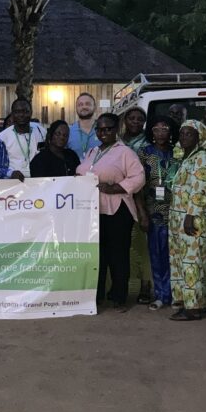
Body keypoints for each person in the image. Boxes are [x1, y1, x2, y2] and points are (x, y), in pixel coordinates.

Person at [76, 113, 145, 311]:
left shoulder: (125, 152)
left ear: (116, 130)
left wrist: (115, 188)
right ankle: (96, 296)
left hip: (117, 210)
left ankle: (119, 297)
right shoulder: (92, 151)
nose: (103, 132)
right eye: (100, 129)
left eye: (108, 129)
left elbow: (138, 177)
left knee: (118, 254)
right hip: (93, 210)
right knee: (98, 255)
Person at [168, 121, 206, 321]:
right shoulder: (185, 158)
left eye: (189, 134)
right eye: (182, 134)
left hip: (194, 218)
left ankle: (193, 308)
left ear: (200, 137)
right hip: (180, 217)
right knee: (185, 261)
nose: (184, 137)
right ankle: (194, 301)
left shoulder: (203, 158)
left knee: (193, 261)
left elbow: (200, 189)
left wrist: (191, 216)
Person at [137, 116, 180, 310]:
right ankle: (160, 295)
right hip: (153, 211)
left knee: (174, 255)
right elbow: (138, 186)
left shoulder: (177, 153)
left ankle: (174, 294)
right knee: (157, 254)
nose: (161, 132)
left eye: (165, 129)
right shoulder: (144, 153)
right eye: (157, 129)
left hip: (176, 210)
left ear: (171, 132)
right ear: (151, 132)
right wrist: (143, 213)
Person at [120, 106, 152, 303]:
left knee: (142, 245)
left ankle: (146, 285)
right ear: (125, 121)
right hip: (119, 199)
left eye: (140, 119)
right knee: (126, 245)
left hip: (143, 198)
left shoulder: (148, 145)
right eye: (131, 118)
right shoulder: (117, 142)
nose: (135, 122)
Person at [0, 98, 46, 180]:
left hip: (38, 181)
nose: (21, 115)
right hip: (15, 183)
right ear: (12, 114)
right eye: (17, 112)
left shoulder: (41, 131)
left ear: (31, 113)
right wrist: (11, 173)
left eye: (25, 111)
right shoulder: (2, 137)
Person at [67, 92, 98, 158]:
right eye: (80, 104)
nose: (84, 107)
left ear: (95, 107)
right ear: (76, 108)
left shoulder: (104, 131)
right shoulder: (69, 132)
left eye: (88, 104)